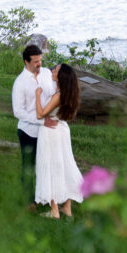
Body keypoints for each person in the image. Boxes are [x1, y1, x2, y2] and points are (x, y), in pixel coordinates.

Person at [34, 63, 84, 219]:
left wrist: (37, 95)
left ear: (61, 76)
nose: (52, 70)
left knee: (51, 167)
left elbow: (40, 114)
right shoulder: (68, 93)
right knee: (64, 165)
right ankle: (67, 208)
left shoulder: (58, 95)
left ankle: (54, 210)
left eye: (55, 70)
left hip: (51, 132)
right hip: (62, 129)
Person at [12, 44, 57, 208]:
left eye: (40, 60)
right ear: (26, 62)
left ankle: (47, 198)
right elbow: (18, 111)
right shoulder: (20, 83)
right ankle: (28, 201)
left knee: (48, 165)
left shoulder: (46, 73)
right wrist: (41, 120)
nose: (39, 64)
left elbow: (54, 95)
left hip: (47, 130)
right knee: (28, 167)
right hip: (28, 131)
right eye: (36, 61)